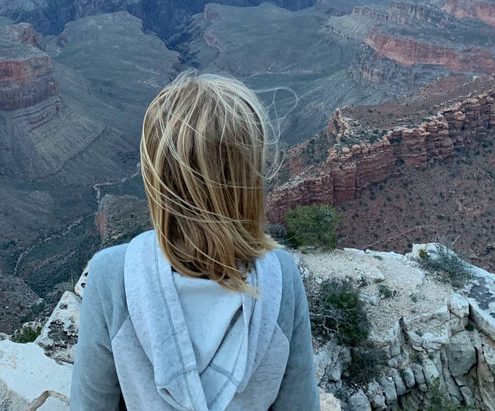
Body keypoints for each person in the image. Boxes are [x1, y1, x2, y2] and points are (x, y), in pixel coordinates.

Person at [71, 72, 319, 411]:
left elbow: (90, 406)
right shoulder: (281, 278)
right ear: (249, 179)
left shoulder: (112, 276)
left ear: (158, 179)